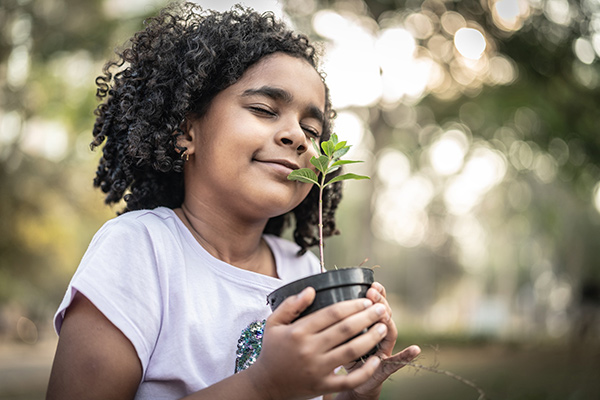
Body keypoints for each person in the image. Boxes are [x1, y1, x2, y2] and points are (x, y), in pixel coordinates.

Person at [46, 2, 421, 399]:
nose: (296, 136)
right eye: (264, 109)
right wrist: (263, 385)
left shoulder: (303, 271)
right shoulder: (141, 251)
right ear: (186, 130)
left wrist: (353, 391)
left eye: (312, 130)